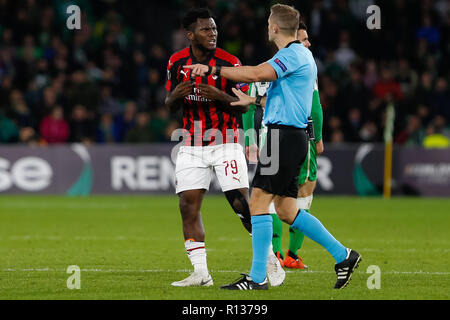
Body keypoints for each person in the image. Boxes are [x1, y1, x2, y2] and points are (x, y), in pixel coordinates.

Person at [186, 3, 361, 290]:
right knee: (286, 209)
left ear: (275, 27)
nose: (267, 26)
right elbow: (283, 101)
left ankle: (257, 279)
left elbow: (255, 74)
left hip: (283, 138)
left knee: (257, 202)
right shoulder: (297, 56)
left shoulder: (292, 55)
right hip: (290, 136)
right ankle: (343, 255)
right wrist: (253, 102)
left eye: (269, 22)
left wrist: (212, 69)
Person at [165, 8, 284, 287]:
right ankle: (201, 273)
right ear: (190, 34)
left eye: (215, 29)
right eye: (206, 29)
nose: (213, 34)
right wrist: (175, 95)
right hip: (191, 142)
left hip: (226, 139)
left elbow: (242, 103)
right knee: (188, 206)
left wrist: (218, 94)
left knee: (241, 204)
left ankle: (269, 259)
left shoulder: (230, 62)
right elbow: (168, 104)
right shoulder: (176, 62)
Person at [242, 22, 324, 270]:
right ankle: (291, 255)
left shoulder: (267, 69)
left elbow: (247, 103)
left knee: (268, 199)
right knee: (301, 195)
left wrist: (250, 140)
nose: (307, 44)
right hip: (298, 137)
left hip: (270, 139)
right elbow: (315, 109)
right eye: (303, 39)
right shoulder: (304, 65)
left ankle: (274, 256)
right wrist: (318, 138)